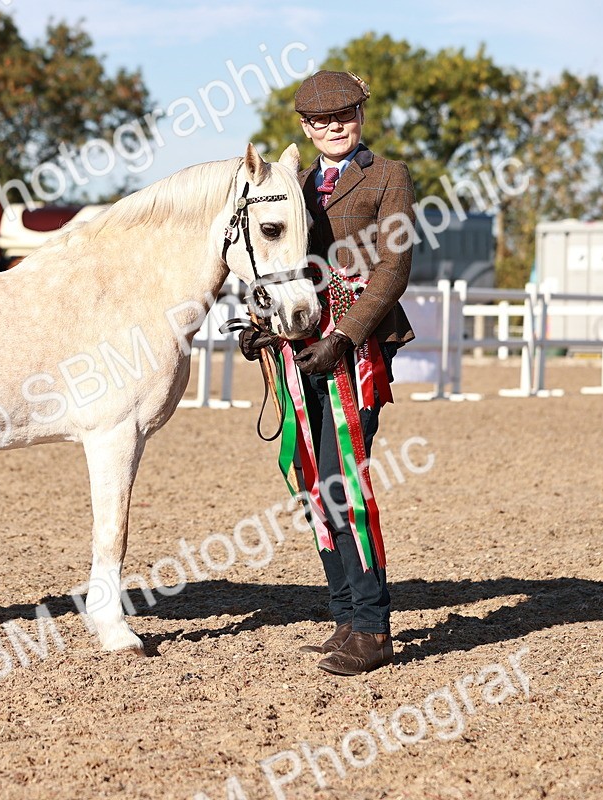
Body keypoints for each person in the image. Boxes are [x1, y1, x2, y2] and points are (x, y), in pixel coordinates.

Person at [239, 70, 416, 675]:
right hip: (300, 347)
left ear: (360, 116)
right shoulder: (293, 184)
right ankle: (343, 614)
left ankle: (373, 626)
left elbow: (394, 268)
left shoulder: (388, 176)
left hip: (357, 350)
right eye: (319, 120)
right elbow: (276, 263)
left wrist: (345, 336)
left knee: (345, 479)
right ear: (306, 128)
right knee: (311, 479)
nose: (332, 127)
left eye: (343, 116)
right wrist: (263, 327)